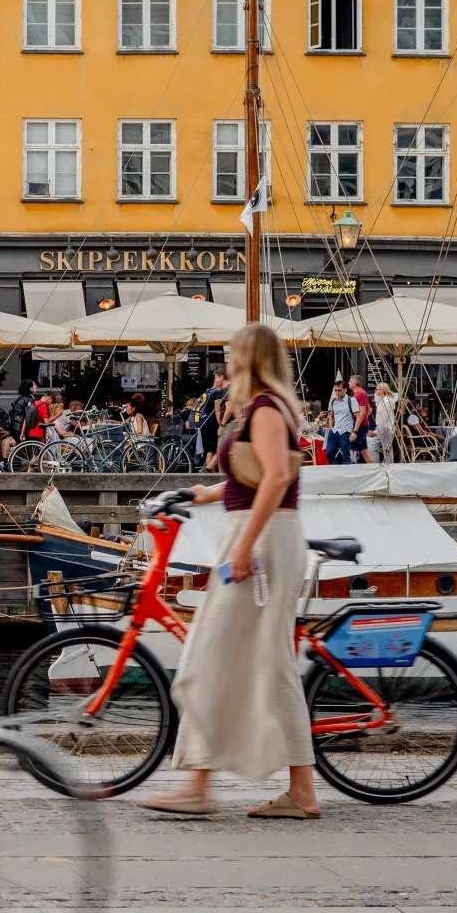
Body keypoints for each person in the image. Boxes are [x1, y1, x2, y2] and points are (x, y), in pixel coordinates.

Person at [141, 323, 317, 820]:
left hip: (259, 541)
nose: (227, 362)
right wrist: (209, 493)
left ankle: (199, 785)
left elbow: (279, 478)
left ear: (251, 359)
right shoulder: (270, 407)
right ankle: (299, 790)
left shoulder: (264, 409)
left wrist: (243, 546)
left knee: (207, 655)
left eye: (232, 355)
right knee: (269, 664)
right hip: (266, 536)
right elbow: (258, 472)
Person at [322, 379, 356, 466]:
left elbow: (358, 416)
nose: (337, 392)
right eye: (336, 390)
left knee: (346, 456)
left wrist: (354, 431)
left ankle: (347, 475)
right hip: (334, 431)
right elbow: (331, 414)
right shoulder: (333, 401)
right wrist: (330, 427)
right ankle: (336, 471)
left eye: (339, 390)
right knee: (329, 453)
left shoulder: (351, 400)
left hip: (346, 431)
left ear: (345, 389)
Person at [371, 381, 398, 465]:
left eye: (377, 389)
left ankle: (389, 466)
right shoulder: (383, 401)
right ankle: (376, 465)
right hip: (381, 428)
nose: (375, 391)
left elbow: (384, 418)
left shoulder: (387, 402)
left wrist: (377, 429)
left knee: (387, 450)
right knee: (372, 447)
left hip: (385, 428)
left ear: (382, 390)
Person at [347, 375, 373, 462]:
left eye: (350, 381)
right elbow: (369, 409)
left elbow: (362, 413)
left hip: (360, 425)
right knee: (364, 450)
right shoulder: (360, 393)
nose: (348, 383)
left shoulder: (360, 394)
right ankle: (375, 469)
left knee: (350, 448)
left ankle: (348, 469)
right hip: (363, 424)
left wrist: (355, 430)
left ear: (354, 383)